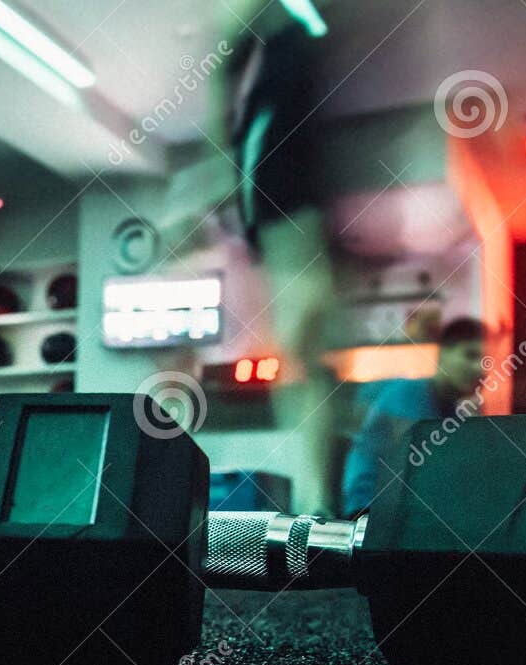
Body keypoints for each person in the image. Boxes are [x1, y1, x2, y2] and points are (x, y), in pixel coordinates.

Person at [206, 0, 344, 517]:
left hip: (288, 214)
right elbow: (225, 73)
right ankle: (316, 498)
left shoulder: (288, 55)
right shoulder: (259, 100)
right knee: (301, 366)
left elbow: (228, 71)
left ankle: (317, 499)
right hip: (275, 216)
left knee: (303, 362)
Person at [341, 318, 487, 515]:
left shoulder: (450, 410)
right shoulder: (408, 395)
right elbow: (428, 474)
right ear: (443, 352)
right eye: (470, 355)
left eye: (487, 361)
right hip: (368, 512)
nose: (480, 369)